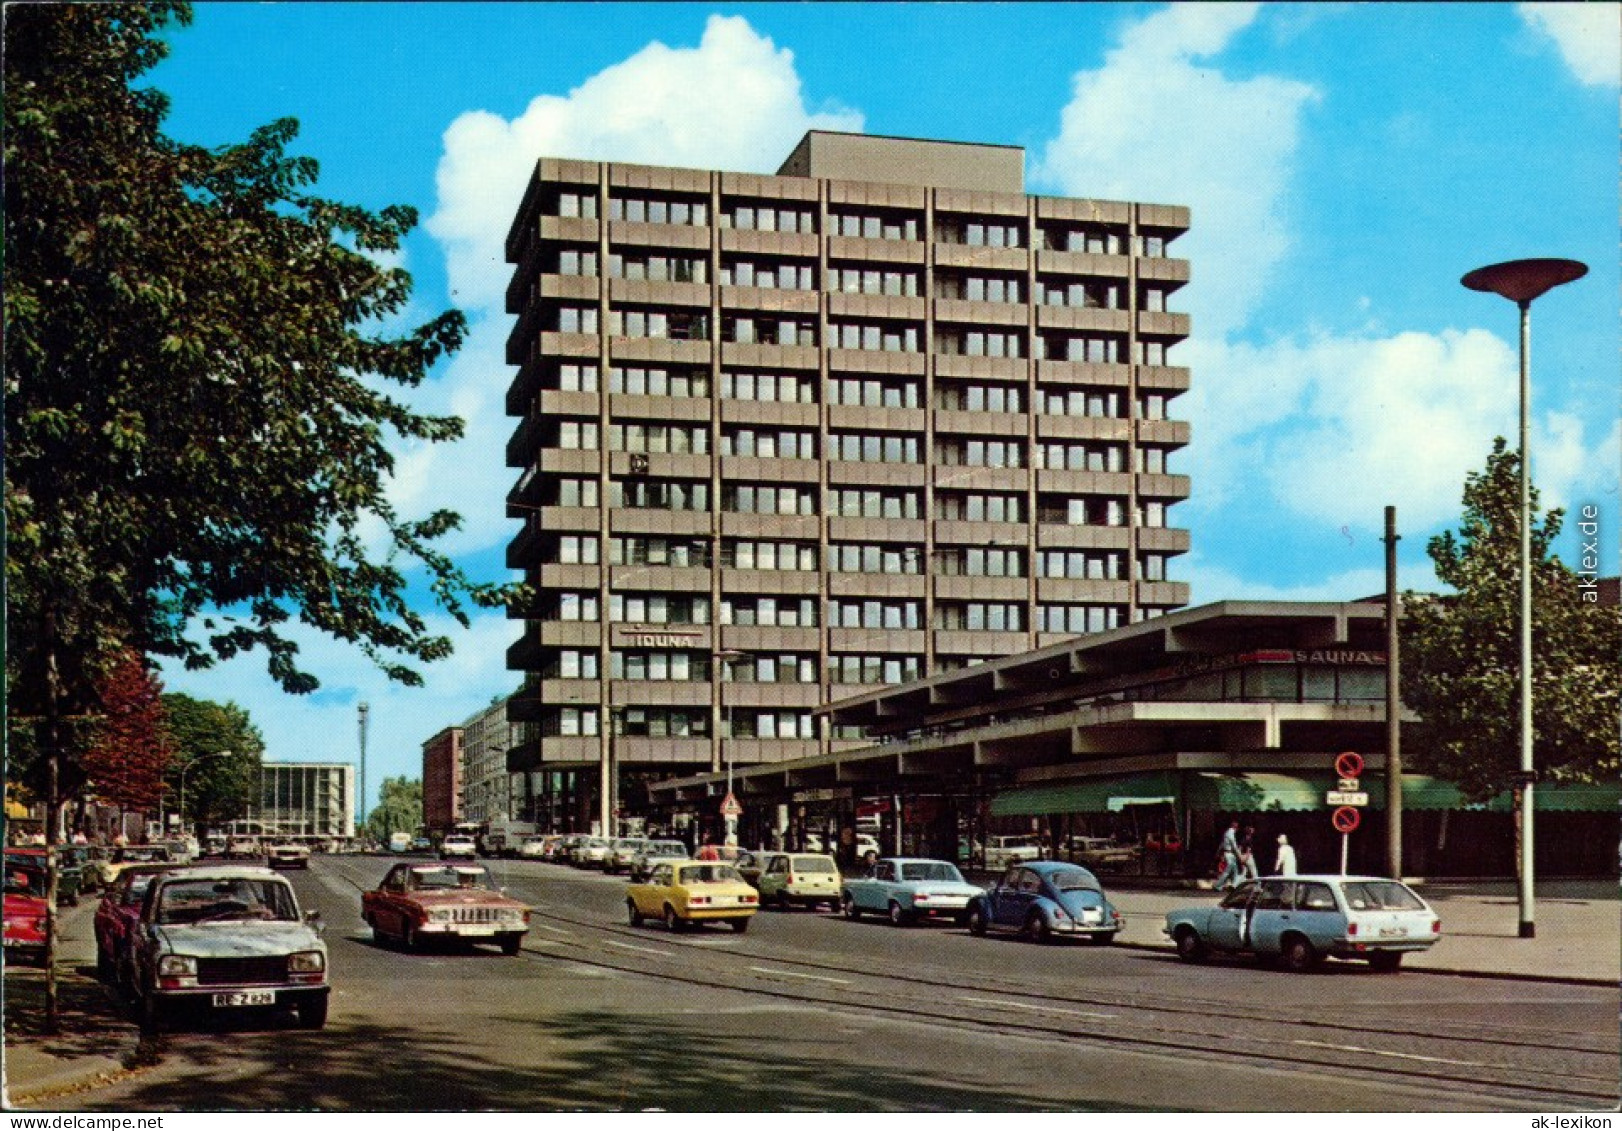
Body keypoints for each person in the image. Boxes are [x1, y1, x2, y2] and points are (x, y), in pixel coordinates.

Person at [1214, 818, 1242, 890]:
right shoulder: (1231, 833)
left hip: (1229, 853)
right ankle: (1217, 885)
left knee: (1235, 870)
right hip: (1229, 854)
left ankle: (1234, 885)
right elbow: (1234, 845)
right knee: (1227, 871)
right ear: (1235, 827)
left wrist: (1218, 851)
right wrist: (1239, 855)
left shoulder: (1226, 833)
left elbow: (1222, 843)